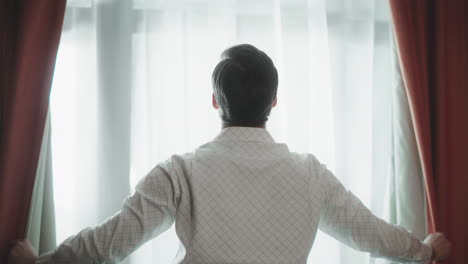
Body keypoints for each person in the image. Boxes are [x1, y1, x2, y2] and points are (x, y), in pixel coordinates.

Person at [9, 44, 451, 264]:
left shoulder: (178, 172)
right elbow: (369, 232)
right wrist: (426, 251)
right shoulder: (312, 175)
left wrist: (40, 263)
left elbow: (110, 243)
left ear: (216, 102)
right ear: (274, 102)